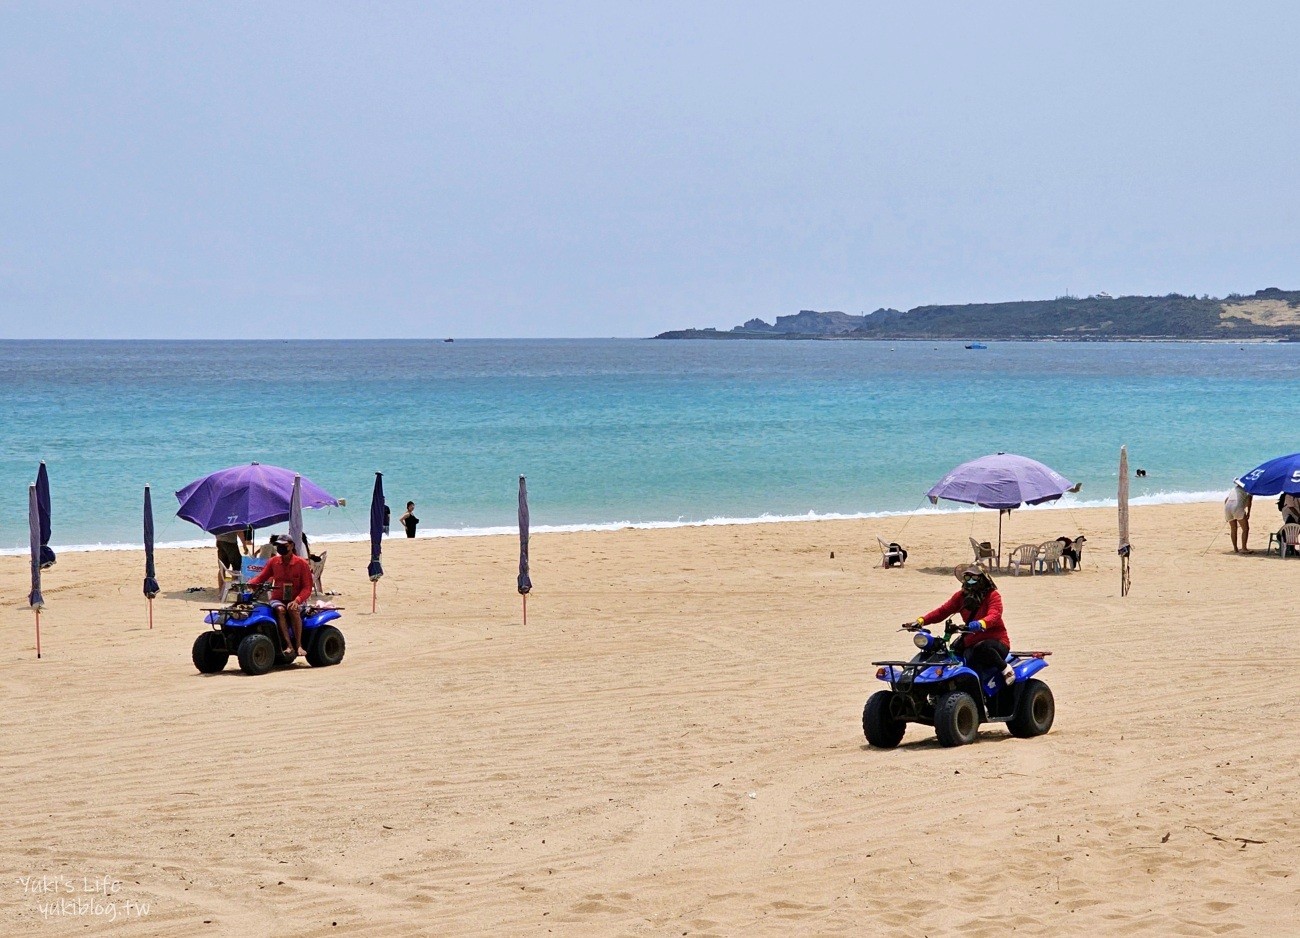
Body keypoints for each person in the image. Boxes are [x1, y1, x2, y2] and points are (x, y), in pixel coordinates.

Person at [906, 564, 1014, 685]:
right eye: (967, 578)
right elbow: (942, 611)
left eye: (974, 578)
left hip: (996, 642)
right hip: (970, 641)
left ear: (983, 579)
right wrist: (921, 621)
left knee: (982, 648)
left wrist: (981, 623)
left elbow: (995, 614)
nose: (970, 581)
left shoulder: (992, 595)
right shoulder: (960, 597)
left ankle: (1005, 669)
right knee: (946, 653)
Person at [248, 536, 315, 659]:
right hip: (277, 598)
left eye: (284, 545)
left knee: (292, 609)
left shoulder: (301, 564)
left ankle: (298, 645)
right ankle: (288, 645)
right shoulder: (274, 561)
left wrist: (297, 600)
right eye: (278, 545)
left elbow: (307, 587)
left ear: (291, 545)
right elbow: (261, 577)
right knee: (280, 610)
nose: (280, 548)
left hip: (297, 598)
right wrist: (251, 583)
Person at [1223, 483, 1252, 553]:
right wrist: (1248, 512)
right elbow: (1249, 501)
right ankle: (1244, 548)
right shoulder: (1249, 490)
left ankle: (1235, 548)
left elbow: (1226, 500)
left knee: (1233, 529)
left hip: (1227, 508)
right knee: (1245, 529)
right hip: (1237, 507)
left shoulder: (1234, 489)